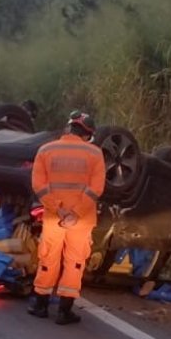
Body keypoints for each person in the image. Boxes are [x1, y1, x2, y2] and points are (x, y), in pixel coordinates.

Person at [27, 110, 105, 324]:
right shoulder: (95, 154)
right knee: (75, 262)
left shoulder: (46, 150)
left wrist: (58, 209)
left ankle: (41, 305)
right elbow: (96, 189)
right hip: (81, 220)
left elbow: (39, 186)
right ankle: (64, 311)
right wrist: (75, 212)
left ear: (68, 127)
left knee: (48, 258)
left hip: (54, 217)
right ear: (88, 133)